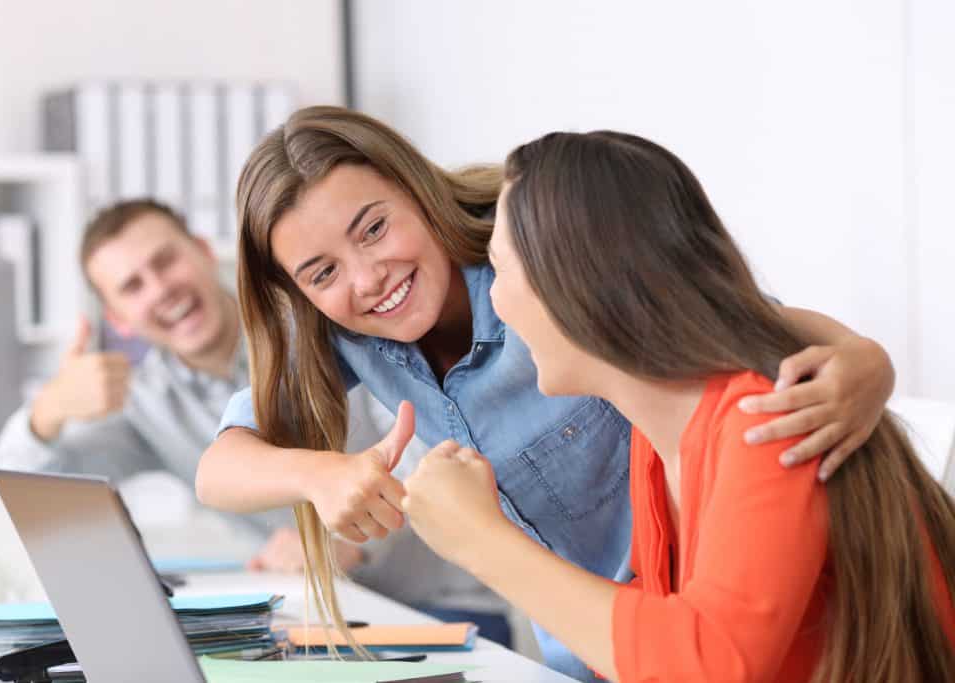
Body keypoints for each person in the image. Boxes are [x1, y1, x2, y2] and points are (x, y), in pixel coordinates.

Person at [196, 106, 897, 680]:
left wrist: (866, 360)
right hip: (593, 652)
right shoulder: (346, 332)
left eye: (375, 227)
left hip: (688, 633)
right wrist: (323, 473)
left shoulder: (536, 253)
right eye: (322, 273)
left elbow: (720, 317)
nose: (368, 276)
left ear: (416, 189)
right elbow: (219, 468)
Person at [401, 130, 955, 682]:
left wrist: (482, 541)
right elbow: (657, 630)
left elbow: (707, 665)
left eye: (500, 269)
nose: (494, 301)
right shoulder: (657, 437)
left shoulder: (764, 421)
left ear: (577, 284)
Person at [0, 200, 509, 641]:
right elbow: (14, 493)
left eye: (165, 261)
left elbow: (426, 437)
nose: (160, 289)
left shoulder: (318, 317)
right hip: (307, 623)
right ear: (118, 318)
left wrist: (344, 541)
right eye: (132, 286)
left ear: (202, 250)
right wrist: (48, 410)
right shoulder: (146, 406)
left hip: (440, 606)